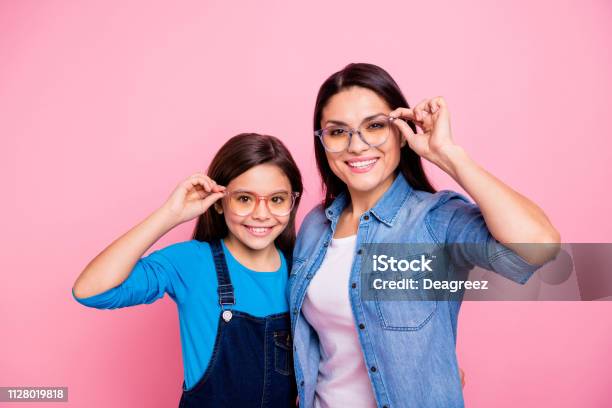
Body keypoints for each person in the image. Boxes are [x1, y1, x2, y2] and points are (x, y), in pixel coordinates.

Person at [287, 63, 561, 408]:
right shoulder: (314, 225)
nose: (356, 146)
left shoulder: (436, 219)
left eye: (374, 126)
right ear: (322, 141)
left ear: (402, 132)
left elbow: (540, 247)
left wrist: (448, 155)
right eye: (338, 131)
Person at [72, 133, 302, 407]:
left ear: (292, 201)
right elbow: (90, 290)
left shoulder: (301, 269)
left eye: (276, 199)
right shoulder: (192, 263)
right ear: (218, 201)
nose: (262, 214)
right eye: (244, 199)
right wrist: (170, 214)